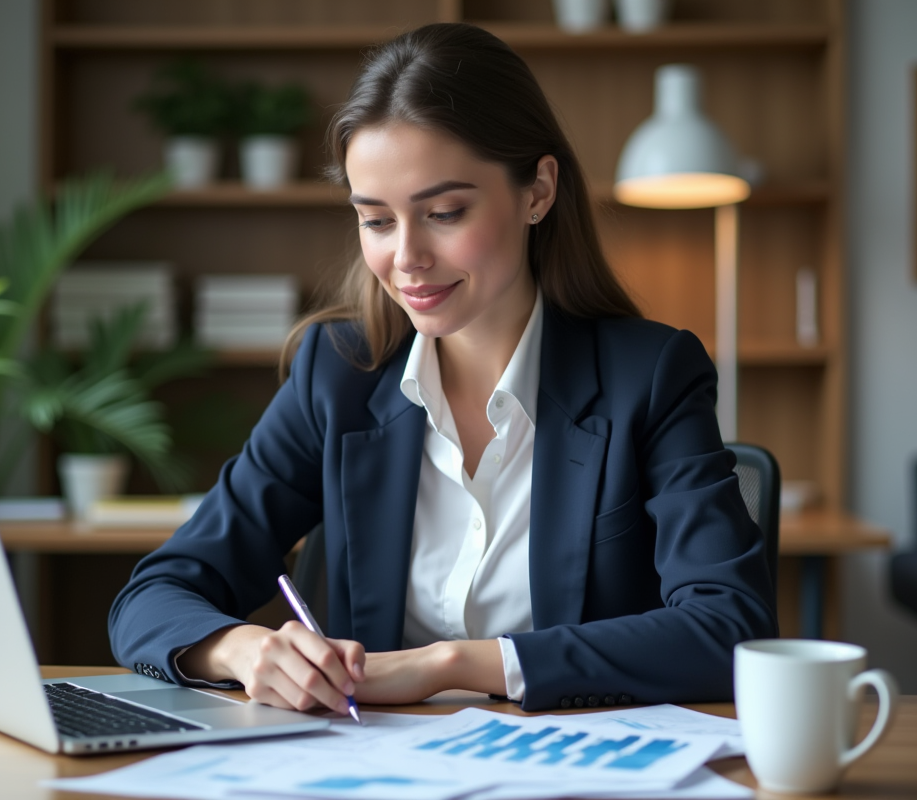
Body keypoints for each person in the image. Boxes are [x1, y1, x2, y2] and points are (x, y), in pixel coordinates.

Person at [109, 22, 776, 715]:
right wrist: (242, 649)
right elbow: (153, 596)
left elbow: (731, 628)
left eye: (445, 212)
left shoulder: (651, 376)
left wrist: (446, 665)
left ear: (537, 191)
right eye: (377, 220)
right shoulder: (337, 376)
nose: (407, 258)